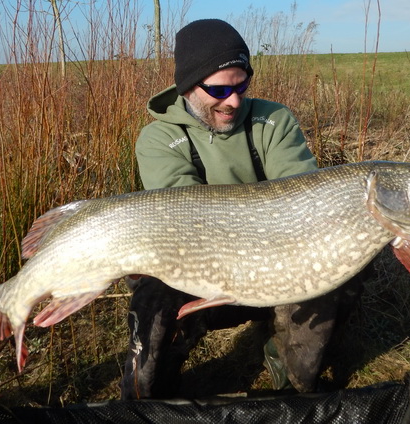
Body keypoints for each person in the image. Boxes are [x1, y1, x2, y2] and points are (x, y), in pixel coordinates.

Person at [120, 19, 342, 399]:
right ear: (188, 86)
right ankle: (155, 393)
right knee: (152, 295)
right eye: (219, 89)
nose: (234, 100)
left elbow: (302, 196)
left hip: (273, 268)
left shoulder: (274, 120)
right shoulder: (158, 138)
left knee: (336, 263)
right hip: (197, 272)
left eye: (241, 85)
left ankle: (289, 368)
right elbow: (188, 218)